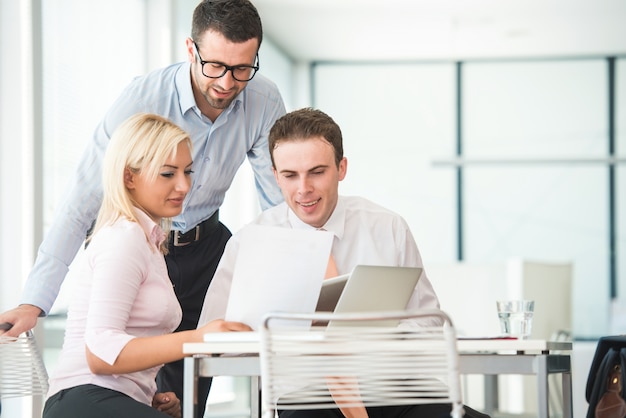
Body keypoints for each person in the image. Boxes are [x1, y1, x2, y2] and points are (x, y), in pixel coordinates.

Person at [0, 0, 285, 415]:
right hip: (149, 244)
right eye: (216, 66)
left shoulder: (263, 100)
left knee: (185, 401)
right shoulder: (143, 98)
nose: (227, 81)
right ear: (191, 49)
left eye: (242, 68)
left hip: (207, 248)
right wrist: (35, 301)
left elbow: (277, 198)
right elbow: (83, 199)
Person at [199, 108, 490, 418]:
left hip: (392, 390)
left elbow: (430, 323)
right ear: (275, 176)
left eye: (317, 172)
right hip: (304, 397)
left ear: (341, 168)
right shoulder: (250, 242)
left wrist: (377, 338)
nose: (303, 188)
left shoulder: (387, 228)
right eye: (290, 175)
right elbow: (211, 341)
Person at [42, 113, 252, 418]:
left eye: (188, 171)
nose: (183, 186)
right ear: (129, 177)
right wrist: (197, 338)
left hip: (109, 397)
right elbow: (100, 352)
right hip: (82, 401)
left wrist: (147, 394)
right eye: (168, 174)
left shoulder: (149, 243)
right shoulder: (123, 238)